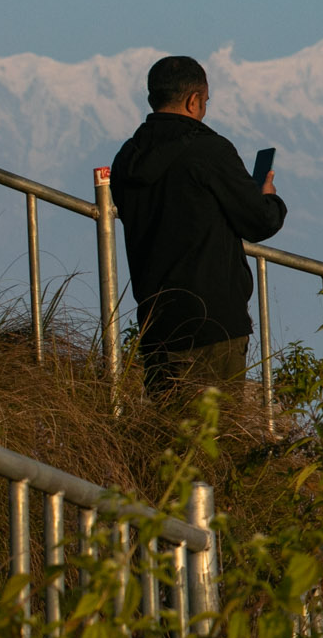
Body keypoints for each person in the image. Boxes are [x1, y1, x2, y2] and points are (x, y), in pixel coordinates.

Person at [109, 55, 287, 396]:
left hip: (157, 322)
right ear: (194, 100)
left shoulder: (128, 158)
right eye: (205, 102)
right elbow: (259, 221)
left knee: (169, 434)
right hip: (214, 324)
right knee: (216, 437)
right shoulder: (210, 151)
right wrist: (270, 198)